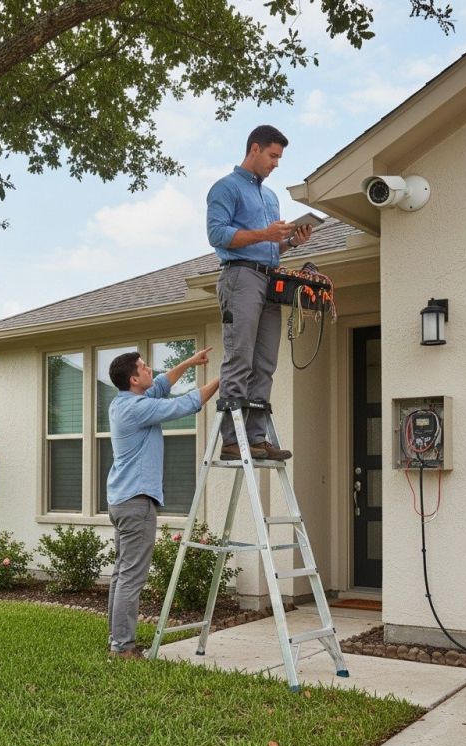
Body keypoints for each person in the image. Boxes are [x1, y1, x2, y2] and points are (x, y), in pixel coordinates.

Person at [206, 124, 313, 461]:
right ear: (255, 149)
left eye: (279, 158)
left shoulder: (270, 196)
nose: (276, 163)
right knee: (240, 357)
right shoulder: (225, 188)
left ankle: (255, 437)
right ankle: (231, 440)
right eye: (273, 156)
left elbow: (270, 245)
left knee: (265, 362)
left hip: (270, 279)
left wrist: (292, 241)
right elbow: (218, 235)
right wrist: (263, 233)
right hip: (240, 278)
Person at [106, 348, 219, 659]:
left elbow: (162, 384)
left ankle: (117, 640)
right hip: (136, 503)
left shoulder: (123, 402)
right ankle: (122, 647)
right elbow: (186, 404)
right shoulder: (137, 409)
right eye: (143, 367)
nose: (149, 369)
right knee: (131, 576)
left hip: (122, 501)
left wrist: (189, 362)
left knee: (121, 573)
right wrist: (224, 379)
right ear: (133, 378)